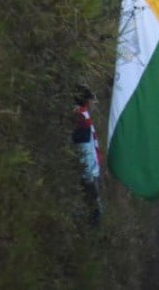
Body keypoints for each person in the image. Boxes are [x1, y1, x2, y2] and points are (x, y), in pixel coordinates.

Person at [72, 87, 102, 224]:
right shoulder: (81, 119)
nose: (94, 102)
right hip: (88, 176)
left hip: (89, 172)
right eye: (92, 99)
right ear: (87, 101)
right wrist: (89, 176)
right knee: (93, 213)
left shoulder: (83, 116)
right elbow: (84, 150)